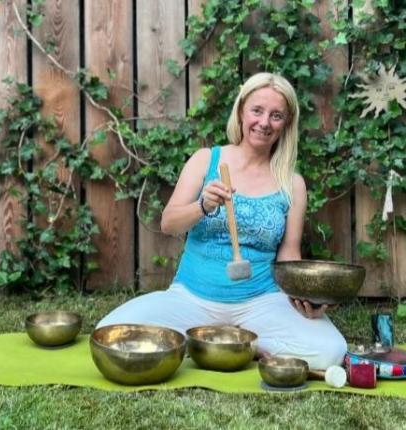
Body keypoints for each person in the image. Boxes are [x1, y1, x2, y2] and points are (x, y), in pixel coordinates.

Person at [97, 72, 347, 370]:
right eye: (257, 110)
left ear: (286, 124)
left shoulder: (291, 184)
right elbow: (169, 223)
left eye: (276, 115)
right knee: (110, 331)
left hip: (262, 302)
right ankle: (238, 343)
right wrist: (202, 206)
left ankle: (220, 343)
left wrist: (305, 297)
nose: (264, 122)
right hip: (191, 299)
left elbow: (289, 253)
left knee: (331, 350)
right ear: (241, 111)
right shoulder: (206, 160)